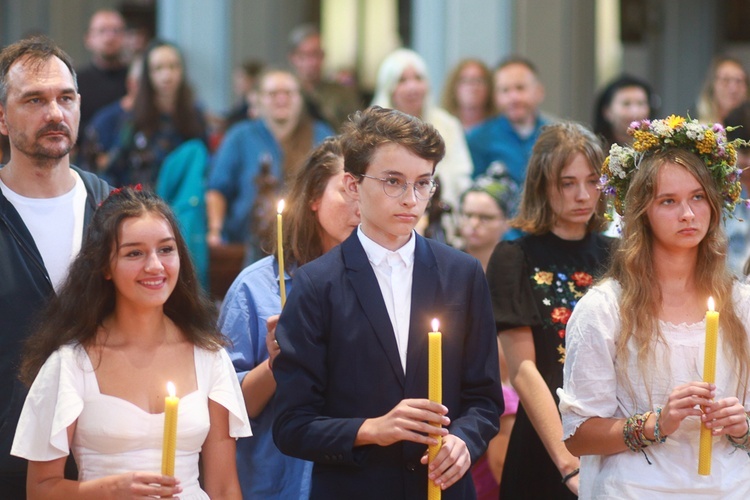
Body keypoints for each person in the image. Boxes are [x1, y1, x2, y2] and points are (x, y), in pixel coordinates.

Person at [272, 106, 504, 499]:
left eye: (424, 183)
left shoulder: (462, 274)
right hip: (357, 487)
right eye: (393, 181)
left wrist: (463, 441)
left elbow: (484, 398)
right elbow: (292, 425)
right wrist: (372, 429)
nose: (411, 199)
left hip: (442, 487)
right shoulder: (317, 284)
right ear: (352, 185)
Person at [11, 187, 252, 498]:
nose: (154, 266)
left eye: (166, 249)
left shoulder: (209, 357)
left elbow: (223, 487)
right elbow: (40, 490)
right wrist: (110, 489)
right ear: (104, 267)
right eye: (134, 253)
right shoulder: (71, 363)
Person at [559, 115, 750, 497]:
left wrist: (742, 426)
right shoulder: (604, 309)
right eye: (669, 201)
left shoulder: (742, 304)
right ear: (642, 212)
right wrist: (656, 423)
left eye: (698, 197)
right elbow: (578, 437)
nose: (688, 214)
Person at [0, 36, 111, 498]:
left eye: (66, 98)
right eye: (35, 100)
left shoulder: (114, 211)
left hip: (99, 459)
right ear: (2, 118)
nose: (54, 113)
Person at [220, 137, 359, 499]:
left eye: (367, 192)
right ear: (314, 198)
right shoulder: (257, 288)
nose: (360, 207)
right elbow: (229, 409)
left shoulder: (376, 283)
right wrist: (276, 363)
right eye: (348, 191)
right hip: (279, 478)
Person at [485, 121, 612, 499]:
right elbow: (524, 371)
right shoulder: (514, 257)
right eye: (567, 183)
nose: (583, 195)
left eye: (592, 181)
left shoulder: (619, 254)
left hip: (611, 433)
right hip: (545, 440)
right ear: (543, 185)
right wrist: (566, 459)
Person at [206, 69, 334, 258]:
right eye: (273, 94)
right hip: (247, 242)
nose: (281, 99)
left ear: (301, 99)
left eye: (289, 93)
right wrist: (215, 231)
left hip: (309, 241)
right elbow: (217, 189)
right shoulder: (240, 136)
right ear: (257, 100)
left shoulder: (321, 135)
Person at [371, 48, 473, 215]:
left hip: (442, 215)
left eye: (418, 78)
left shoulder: (448, 125)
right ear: (389, 88)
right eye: (402, 80)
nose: (412, 87)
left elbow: (461, 177)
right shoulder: (372, 129)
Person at [103, 40, 207, 188]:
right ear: (148, 74)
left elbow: (203, 167)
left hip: (184, 203)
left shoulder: (195, 115)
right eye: (158, 68)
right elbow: (115, 170)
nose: (167, 75)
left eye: (173, 67)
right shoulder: (132, 119)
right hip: (141, 203)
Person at [467, 56, 549, 182]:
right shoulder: (477, 140)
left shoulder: (556, 137)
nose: (514, 97)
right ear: (495, 97)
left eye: (520, 88)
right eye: (505, 90)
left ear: (539, 92)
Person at [287, 24, 362, 131]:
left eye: (316, 54)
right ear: (292, 57)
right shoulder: (285, 94)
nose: (311, 62)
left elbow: (357, 131)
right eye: (304, 55)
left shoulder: (342, 94)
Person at [76, 9, 128, 148]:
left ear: (125, 37)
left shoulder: (136, 81)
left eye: (116, 31)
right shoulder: (75, 81)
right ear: (88, 39)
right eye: (102, 31)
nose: (110, 37)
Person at [458, 166, 519, 270]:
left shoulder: (520, 271)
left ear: (507, 222)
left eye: (485, 218)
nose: (474, 224)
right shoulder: (443, 266)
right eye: (468, 215)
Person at [593, 74, 654, 151]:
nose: (634, 112)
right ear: (607, 111)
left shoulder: (657, 149)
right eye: (626, 104)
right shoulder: (596, 151)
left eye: (640, 103)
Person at [441, 59, 496, 132]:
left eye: (479, 81)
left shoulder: (499, 128)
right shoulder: (442, 125)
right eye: (465, 81)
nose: (472, 87)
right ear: (453, 87)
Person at [697, 56, 749, 125]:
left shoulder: (746, 126)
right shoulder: (697, 127)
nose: (733, 89)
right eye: (725, 80)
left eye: (739, 81)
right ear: (712, 85)